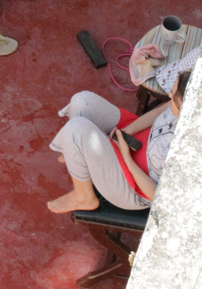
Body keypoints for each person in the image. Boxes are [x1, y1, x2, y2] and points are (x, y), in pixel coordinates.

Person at [45, 71, 190, 213]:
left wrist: (126, 156)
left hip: (132, 184)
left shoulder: (185, 152)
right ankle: (75, 150)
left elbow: (157, 197)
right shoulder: (187, 103)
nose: (169, 95)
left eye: (173, 94)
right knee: (82, 102)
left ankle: (83, 197)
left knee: (76, 129)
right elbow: (159, 113)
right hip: (138, 139)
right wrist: (128, 131)